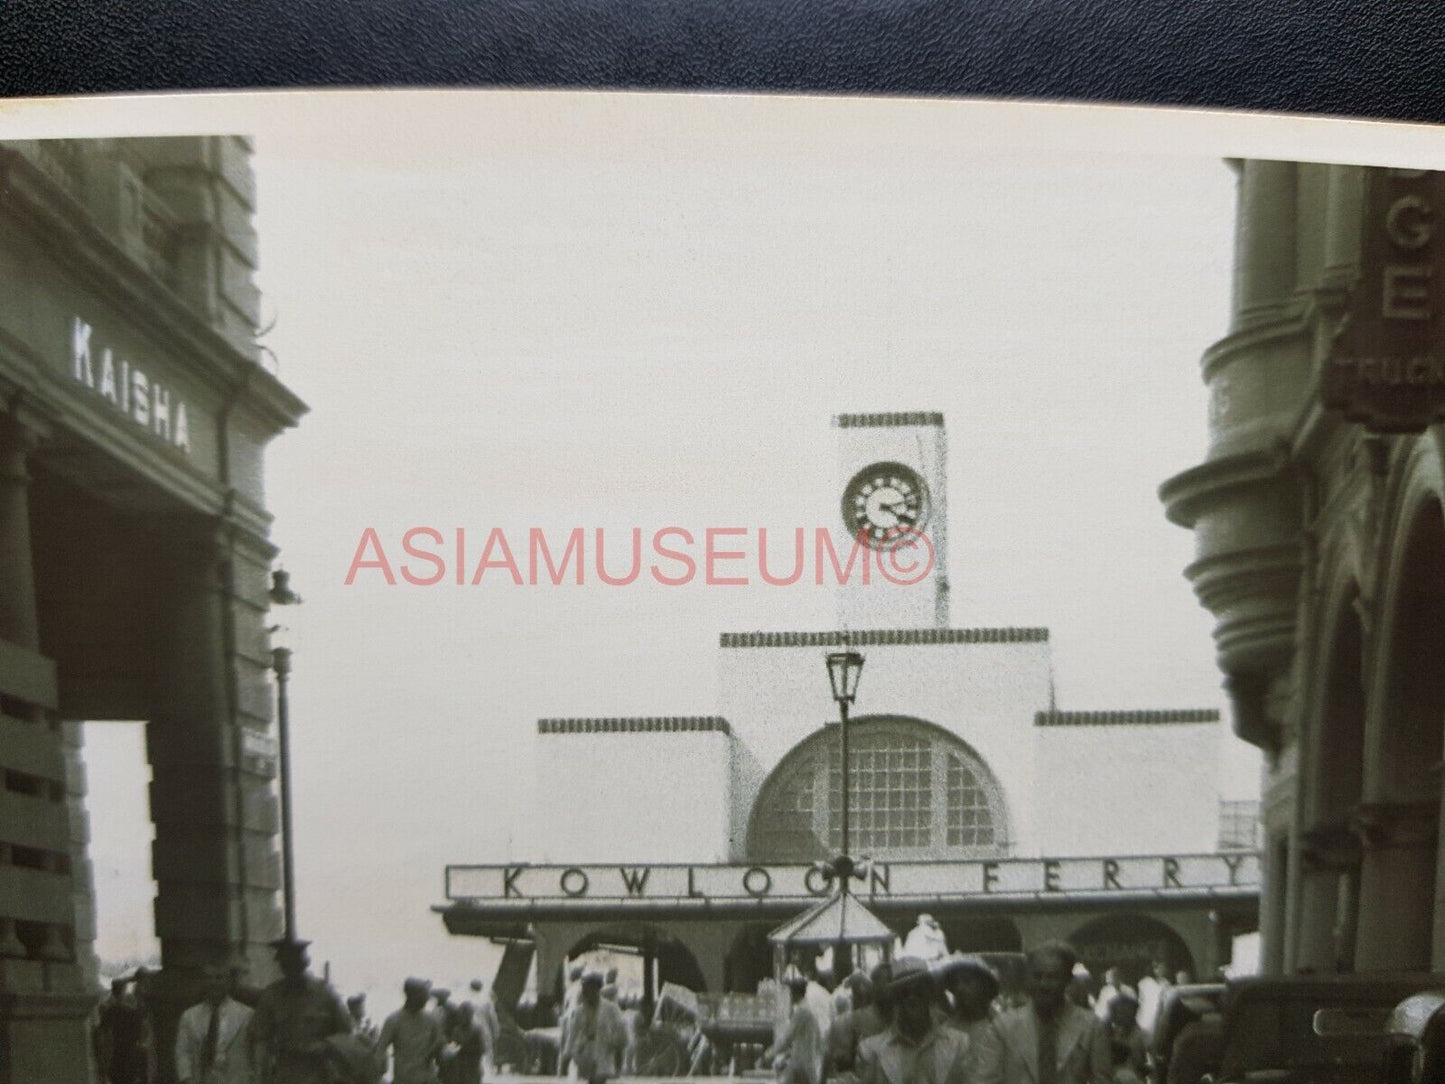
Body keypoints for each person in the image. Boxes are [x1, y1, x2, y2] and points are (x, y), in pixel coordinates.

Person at [974, 941, 1111, 1084]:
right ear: (1027, 978)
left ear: (1068, 980)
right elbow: (985, 1080)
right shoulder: (1004, 1027)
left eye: (1052, 977)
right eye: (1037, 976)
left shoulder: (1091, 1027)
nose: (1043, 984)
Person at [249, 938, 354, 1084]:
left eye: (295, 966)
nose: (290, 971)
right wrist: (259, 1075)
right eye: (285, 966)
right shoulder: (272, 995)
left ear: (305, 964)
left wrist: (325, 1046)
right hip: (284, 1074)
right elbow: (261, 1039)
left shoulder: (326, 994)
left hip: (320, 1073)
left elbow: (346, 1035)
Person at [855, 958, 970, 1084]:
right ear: (895, 998)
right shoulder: (871, 1050)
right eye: (904, 992)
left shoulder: (959, 1043)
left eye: (919, 990)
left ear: (930, 995)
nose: (912, 997)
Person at [175, 962, 255, 1084]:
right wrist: (187, 1079)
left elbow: (256, 1054)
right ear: (203, 982)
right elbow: (183, 1052)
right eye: (209, 977)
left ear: (229, 981)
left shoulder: (246, 1015)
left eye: (219, 977)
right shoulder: (189, 1016)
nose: (214, 983)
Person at [561, 970, 628, 1084]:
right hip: (585, 1055)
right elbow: (572, 1036)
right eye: (585, 990)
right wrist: (566, 1059)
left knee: (600, 1079)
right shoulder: (579, 1011)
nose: (587, 993)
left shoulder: (611, 1009)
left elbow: (622, 1033)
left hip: (604, 1052)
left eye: (591, 989)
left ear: (598, 989)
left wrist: (616, 1047)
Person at [378, 978, 447, 1084]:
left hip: (427, 1079)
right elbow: (380, 1051)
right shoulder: (394, 1021)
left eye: (426, 996)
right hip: (404, 1080)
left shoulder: (432, 1020)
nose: (427, 999)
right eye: (423, 996)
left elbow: (440, 1051)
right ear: (411, 996)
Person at [765, 973, 824, 1084]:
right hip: (806, 1064)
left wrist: (767, 1055)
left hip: (802, 1067)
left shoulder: (802, 1011)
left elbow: (786, 1039)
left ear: (795, 993)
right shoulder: (808, 1009)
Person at [936, 953, 999, 1051]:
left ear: (983, 986)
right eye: (956, 982)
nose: (959, 988)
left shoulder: (1000, 1028)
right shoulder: (946, 1032)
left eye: (967, 981)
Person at [96, 977, 152, 1084]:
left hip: (115, 1058)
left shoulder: (109, 1011)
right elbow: (141, 1036)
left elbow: (102, 1033)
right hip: (130, 1056)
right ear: (123, 991)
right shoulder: (132, 1013)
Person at [1103, 993, 1147, 1084]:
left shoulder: (1143, 1036)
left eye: (1126, 1013)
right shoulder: (1108, 1034)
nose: (1122, 1016)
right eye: (1117, 1012)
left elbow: (1148, 1065)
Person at [469, 981, 500, 1077]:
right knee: (486, 1054)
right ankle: (487, 1075)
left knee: (472, 1053)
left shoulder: (468, 1001)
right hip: (484, 1030)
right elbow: (492, 1018)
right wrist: (496, 1031)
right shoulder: (486, 1001)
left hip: (470, 1030)